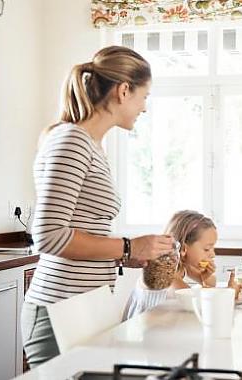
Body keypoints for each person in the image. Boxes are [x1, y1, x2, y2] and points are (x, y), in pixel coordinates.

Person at [21, 46, 175, 368]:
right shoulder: (72, 141)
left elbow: (82, 230)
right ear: (123, 91)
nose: (144, 108)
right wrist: (130, 245)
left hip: (83, 305)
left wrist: (127, 254)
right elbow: (49, 235)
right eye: (143, 97)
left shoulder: (90, 146)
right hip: (60, 309)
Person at [122, 210, 221, 321]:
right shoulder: (163, 273)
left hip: (161, 328)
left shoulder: (184, 266)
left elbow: (211, 283)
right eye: (207, 249)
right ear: (183, 249)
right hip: (139, 333)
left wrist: (205, 277)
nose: (212, 254)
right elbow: (197, 305)